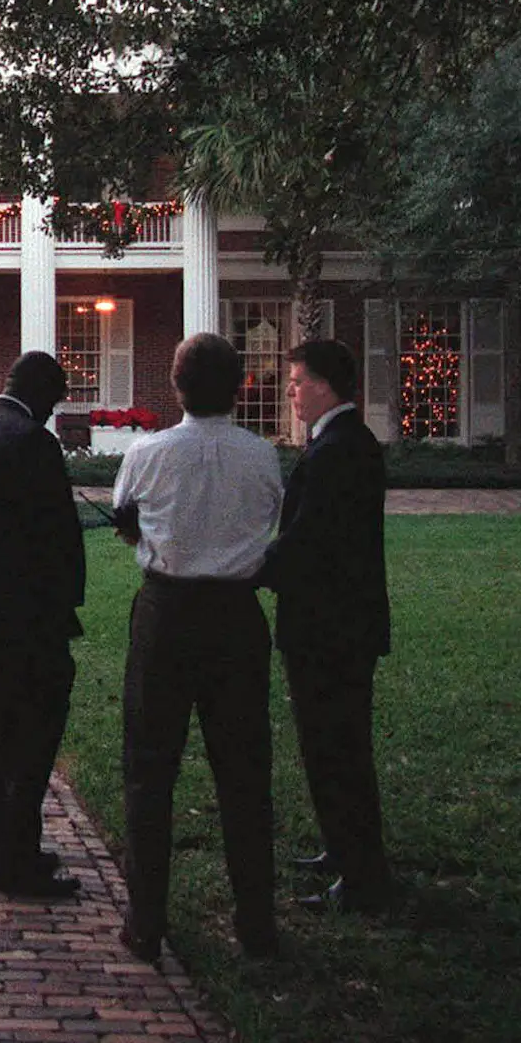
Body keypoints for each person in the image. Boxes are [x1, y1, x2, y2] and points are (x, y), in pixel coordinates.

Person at [110, 333, 284, 963]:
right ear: (238, 387)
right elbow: (269, 523)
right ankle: (257, 924)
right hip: (237, 619)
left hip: (167, 613)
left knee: (149, 771)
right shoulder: (261, 456)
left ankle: (146, 921)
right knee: (244, 773)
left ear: (176, 385)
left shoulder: (147, 453)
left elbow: (125, 517)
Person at [259, 339, 394, 913]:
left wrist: (250, 569)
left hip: (331, 626)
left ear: (325, 385)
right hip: (332, 622)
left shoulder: (341, 448)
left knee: (337, 748)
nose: (289, 390)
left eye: (296, 381)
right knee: (328, 747)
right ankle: (341, 852)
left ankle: (361, 879)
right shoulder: (339, 443)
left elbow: (312, 540)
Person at [0, 351, 86, 900]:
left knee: (0, 744)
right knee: (30, 743)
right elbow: (53, 535)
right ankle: (17, 865)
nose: (56, 411)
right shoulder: (31, 439)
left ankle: (12, 850)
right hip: (26, 620)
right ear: (40, 391)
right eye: (55, 399)